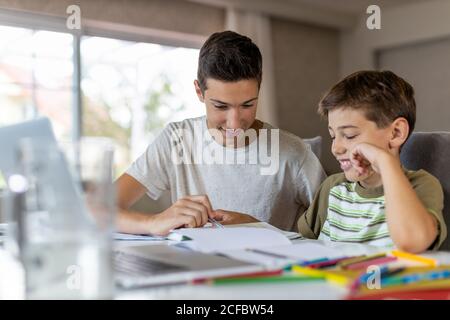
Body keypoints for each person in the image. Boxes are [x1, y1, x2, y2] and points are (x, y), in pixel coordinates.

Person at [115, 30, 326, 236]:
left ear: (259, 91)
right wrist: (153, 222)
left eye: (247, 105)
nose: (234, 123)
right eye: (221, 106)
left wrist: (259, 228)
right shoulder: (177, 140)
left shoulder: (295, 153)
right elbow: (96, 209)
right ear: (199, 91)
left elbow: (343, 230)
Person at [297, 70, 447, 253]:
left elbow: (412, 241)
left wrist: (385, 162)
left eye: (349, 135)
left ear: (396, 133)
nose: (336, 148)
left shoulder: (421, 185)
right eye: (333, 136)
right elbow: (299, 245)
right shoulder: (333, 188)